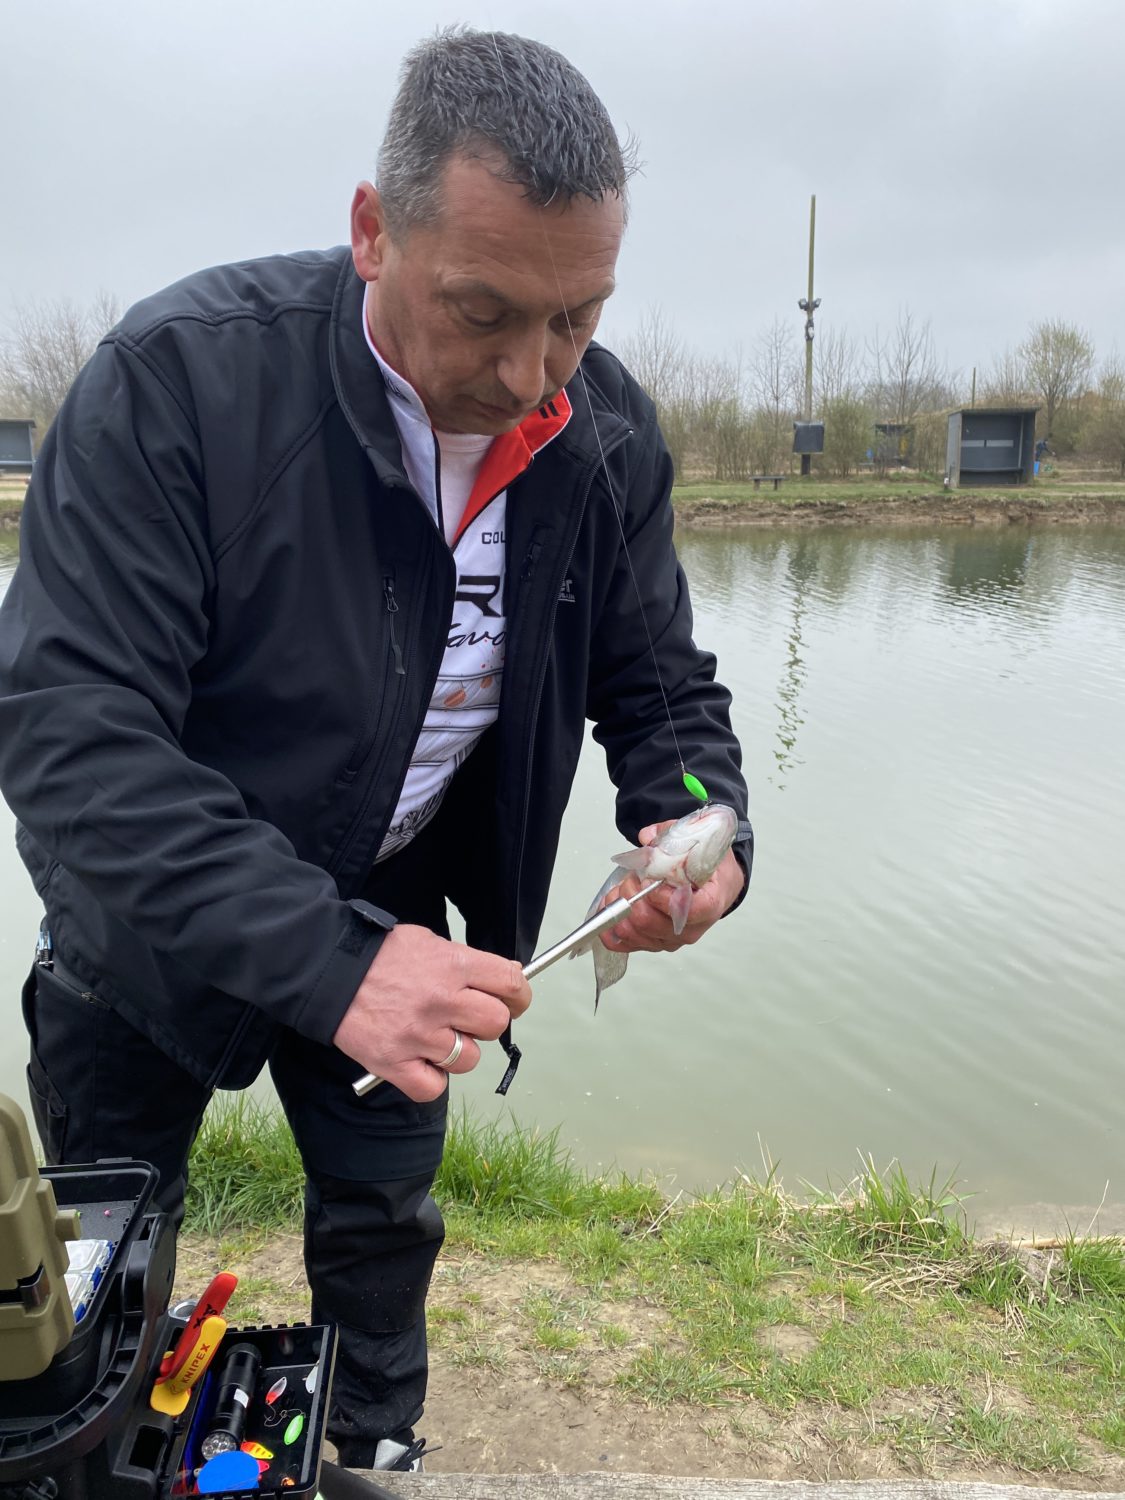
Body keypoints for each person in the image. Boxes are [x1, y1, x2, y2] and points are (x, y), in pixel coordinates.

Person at [0, 28, 753, 1473]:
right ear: (371, 231)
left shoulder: (600, 437)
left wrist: (701, 828)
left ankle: (367, 1447)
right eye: (483, 311)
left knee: (384, 1221)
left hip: (405, 899)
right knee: (96, 1262)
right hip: (155, 922)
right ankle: (103, 1454)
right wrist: (333, 963)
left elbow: (665, 695)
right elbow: (70, 742)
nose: (534, 370)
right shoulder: (178, 388)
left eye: (577, 318)